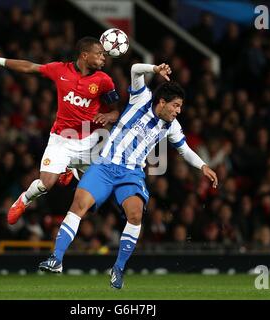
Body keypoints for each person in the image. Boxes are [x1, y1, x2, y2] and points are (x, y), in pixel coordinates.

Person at [38, 63, 218, 289]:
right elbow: (133, 69)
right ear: (162, 102)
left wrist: (203, 166)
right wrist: (154, 69)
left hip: (131, 173)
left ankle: (118, 268)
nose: (178, 111)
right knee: (79, 205)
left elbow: (184, 149)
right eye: (176, 105)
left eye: (180, 107)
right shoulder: (141, 98)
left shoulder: (171, 126)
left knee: (134, 215)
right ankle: (56, 259)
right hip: (104, 165)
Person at [0, 37, 120, 225]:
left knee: (98, 193)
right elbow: (29, 67)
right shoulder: (60, 70)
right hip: (61, 138)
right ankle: (24, 199)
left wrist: (108, 117)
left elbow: (116, 110)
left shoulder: (104, 81)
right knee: (46, 183)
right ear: (85, 55)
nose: (104, 58)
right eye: (100, 54)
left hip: (89, 141)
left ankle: (71, 170)